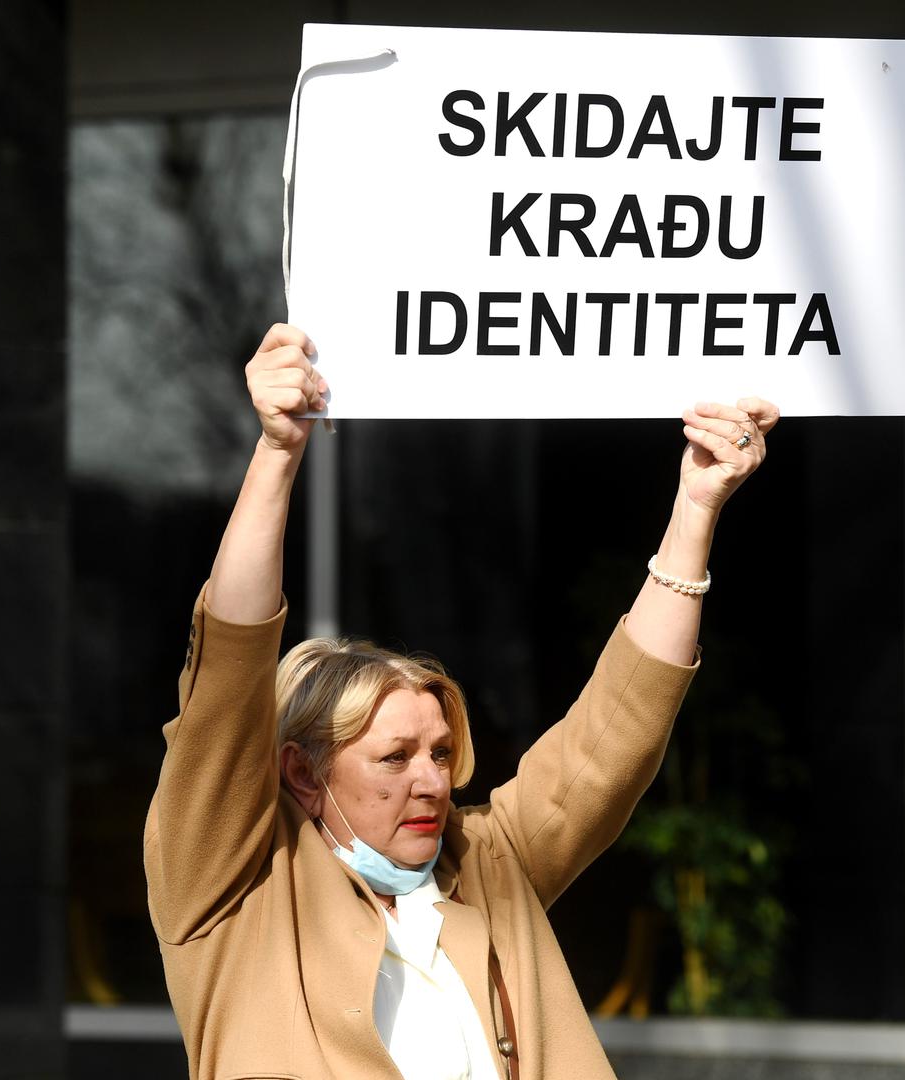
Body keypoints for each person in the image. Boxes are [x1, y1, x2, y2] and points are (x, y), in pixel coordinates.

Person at [145, 323, 778, 1080]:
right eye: (395, 757)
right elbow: (227, 679)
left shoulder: (487, 861)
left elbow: (618, 731)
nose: (432, 781)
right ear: (304, 772)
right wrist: (279, 452)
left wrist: (698, 506)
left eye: (441, 752)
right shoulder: (233, 884)